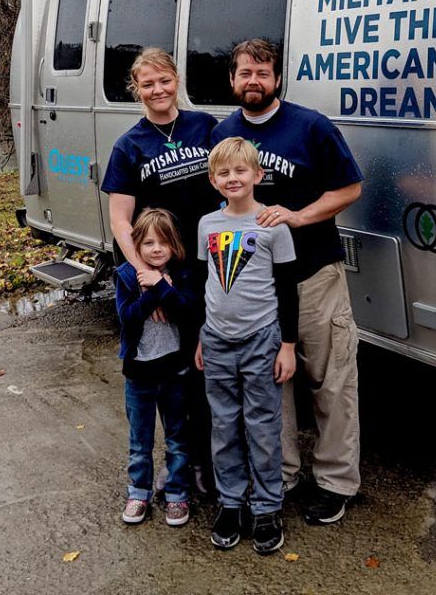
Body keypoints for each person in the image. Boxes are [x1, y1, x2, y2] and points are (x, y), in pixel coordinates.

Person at [211, 39, 364, 526]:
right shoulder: (225, 134)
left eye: (262, 71)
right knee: (268, 384)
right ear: (232, 80)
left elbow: (350, 188)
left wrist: (299, 217)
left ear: (277, 78)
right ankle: (280, 475)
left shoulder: (311, 126)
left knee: (330, 379)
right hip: (254, 288)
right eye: (243, 73)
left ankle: (337, 482)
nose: (252, 80)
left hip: (313, 274)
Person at [101, 48, 217, 491]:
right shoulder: (130, 145)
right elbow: (119, 220)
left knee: (207, 367)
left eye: (164, 80)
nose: (158, 90)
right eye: (147, 84)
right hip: (164, 270)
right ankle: (180, 472)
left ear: (176, 80)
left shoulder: (204, 127)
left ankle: (207, 463)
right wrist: (147, 275)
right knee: (175, 371)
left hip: (207, 264)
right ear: (137, 90)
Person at [195, 137, 298, 555]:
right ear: (214, 181)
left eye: (241, 171)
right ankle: (231, 503)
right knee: (223, 426)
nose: (233, 178)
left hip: (262, 339)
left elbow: (289, 290)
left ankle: (267, 507)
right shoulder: (207, 224)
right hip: (217, 340)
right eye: (224, 173)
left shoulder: (274, 225)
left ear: (257, 175)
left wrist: (287, 345)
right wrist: (203, 334)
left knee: (263, 427)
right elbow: (206, 282)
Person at [115, 208, 199, 526]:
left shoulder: (182, 276)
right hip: (139, 375)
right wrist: (151, 290)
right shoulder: (125, 276)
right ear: (137, 246)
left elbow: (187, 309)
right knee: (140, 441)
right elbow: (129, 316)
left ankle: (177, 495)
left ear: (174, 245)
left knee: (178, 436)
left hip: (174, 372)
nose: (156, 249)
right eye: (148, 242)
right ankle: (138, 493)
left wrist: (164, 287)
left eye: (164, 242)